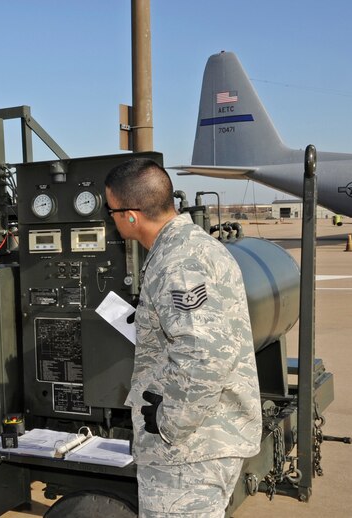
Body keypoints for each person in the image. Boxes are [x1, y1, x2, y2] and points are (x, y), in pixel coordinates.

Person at [104, 158, 261, 517]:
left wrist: (168, 421)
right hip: (201, 443)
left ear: (131, 215)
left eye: (111, 211)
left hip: (188, 451)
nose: (110, 219)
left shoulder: (179, 262)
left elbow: (204, 355)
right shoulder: (186, 248)